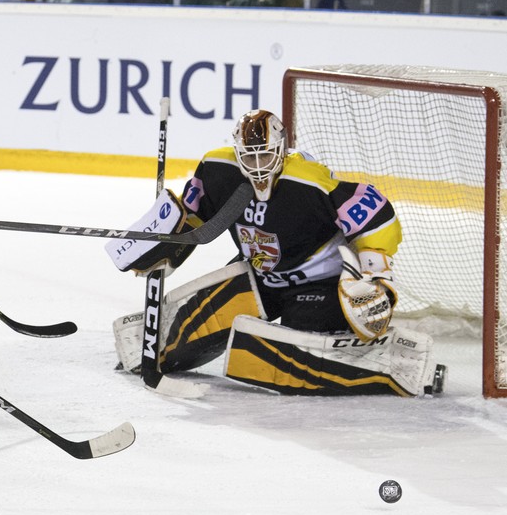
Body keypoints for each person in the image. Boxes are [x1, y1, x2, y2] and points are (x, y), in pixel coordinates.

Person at [108, 110, 446, 397]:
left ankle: (394, 364)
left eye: (265, 155)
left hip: (319, 284)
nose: (257, 166)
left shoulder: (309, 181)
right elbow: (193, 216)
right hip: (261, 275)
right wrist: (163, 245)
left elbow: (376, 213)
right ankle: (149, 344)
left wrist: (375, 275)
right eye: (249, 156)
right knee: (185, 337)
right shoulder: (216, 169)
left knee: (266, 358)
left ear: (282, 150)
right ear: (237, 151)